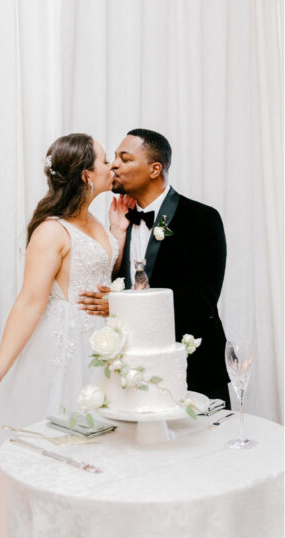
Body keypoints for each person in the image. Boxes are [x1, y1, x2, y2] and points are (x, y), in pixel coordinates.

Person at [0, 133, 117, 538]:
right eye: (105, 160)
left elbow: (96, 272)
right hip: (62, 351)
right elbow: (30, 302)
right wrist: (1, 365)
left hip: (101, 349)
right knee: (54, 449)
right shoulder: (51, 231)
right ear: (87, 176)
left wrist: (118, 231)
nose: (112, 167)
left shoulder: (95, 222)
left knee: (101, 449)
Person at [78, 129, 230, 404]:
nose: (114, 165)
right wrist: (118, 236)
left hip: (193, 370)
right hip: (130, 373)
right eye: (113, 158)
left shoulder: (202, 219)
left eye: (124, 158)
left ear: (154, 169)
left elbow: (201, 301)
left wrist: (121, 304)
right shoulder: (118, 223)